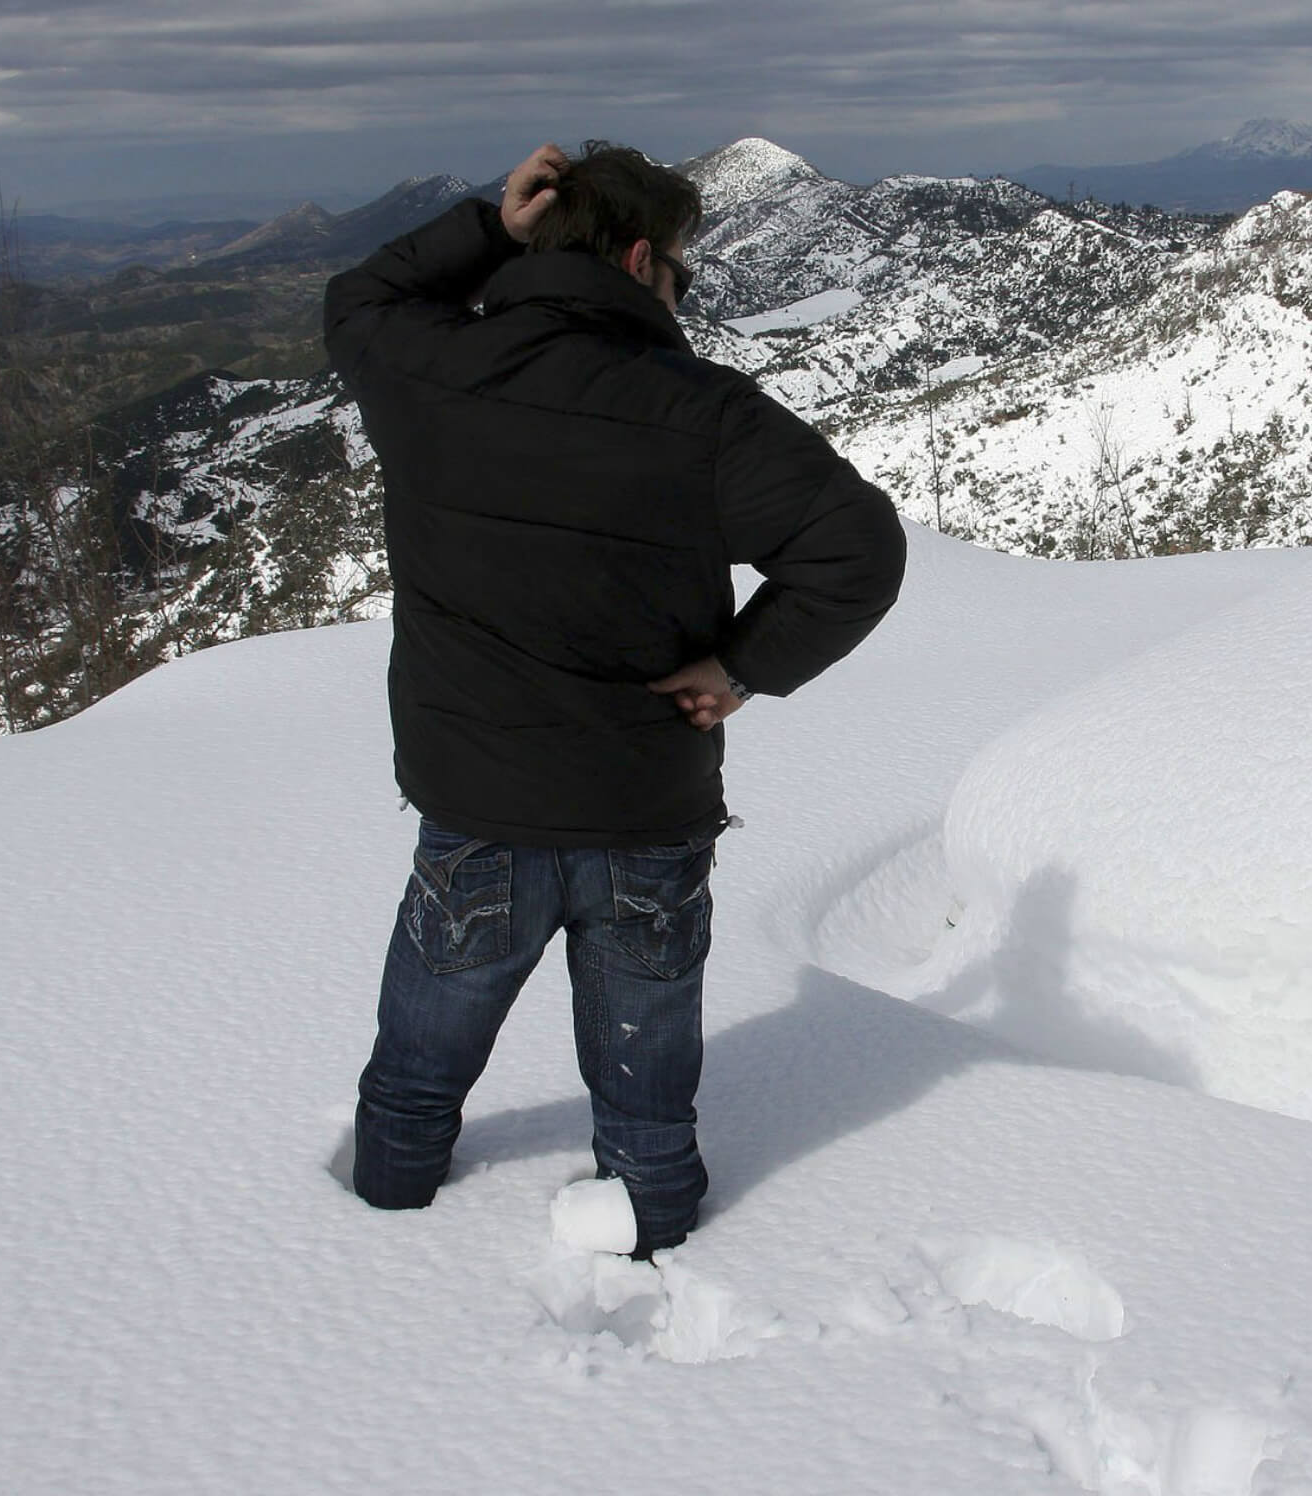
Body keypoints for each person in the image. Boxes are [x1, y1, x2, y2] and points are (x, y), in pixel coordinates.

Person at [324, 141, 906, 1257]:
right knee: (646, 1101)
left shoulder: (427, 368)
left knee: (414, 1075)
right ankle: (654, 1267)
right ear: (642, 260)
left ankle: (370, 1246)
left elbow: (359, 297)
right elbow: (857, 548)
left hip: (477, 806)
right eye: (681, 270)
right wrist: (741, 666)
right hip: (645, 801)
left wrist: (490, 226)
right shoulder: (704, 414)